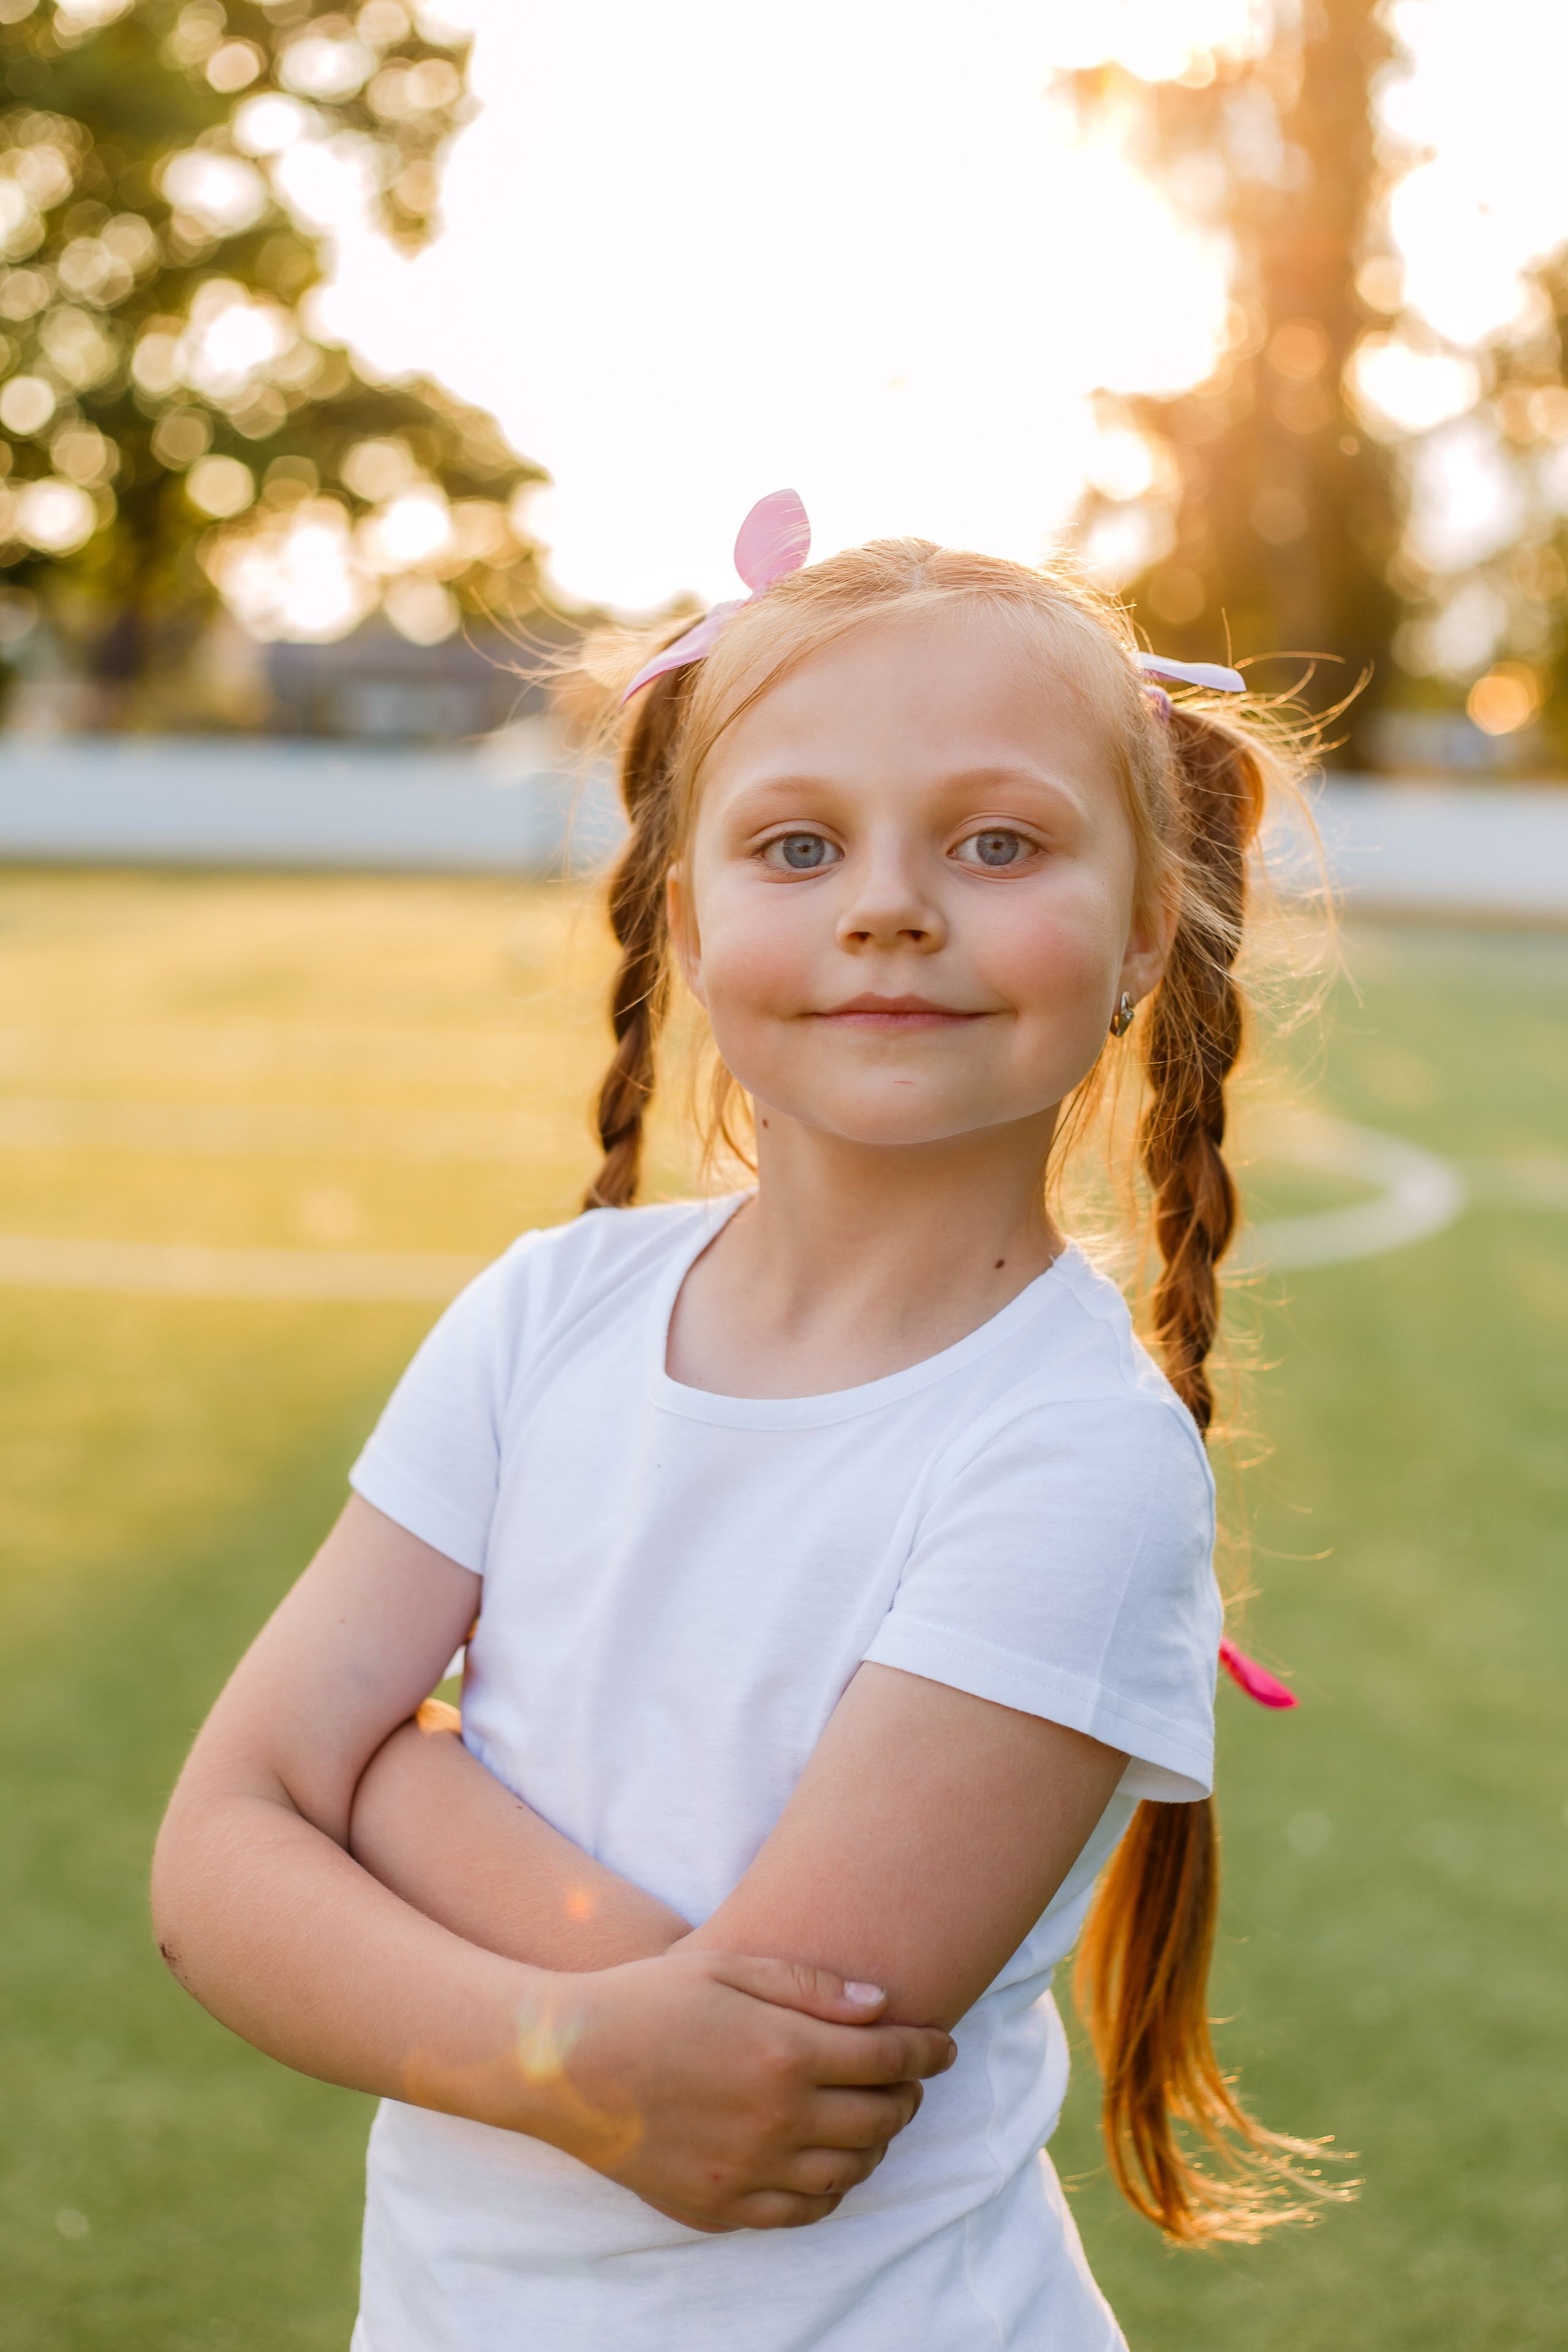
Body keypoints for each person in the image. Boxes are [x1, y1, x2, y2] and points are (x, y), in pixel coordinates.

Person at [153, 494, 1330, 2352]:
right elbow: (211, 1861)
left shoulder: (1073, 1457)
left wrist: (384, 1789)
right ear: (694, 928)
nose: (887, 900)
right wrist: (577, 2050)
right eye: (799, 842)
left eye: (1000, 840)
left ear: (1139, 936)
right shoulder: (551, 1314)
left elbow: (774, 2086)